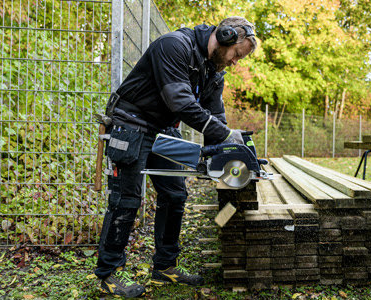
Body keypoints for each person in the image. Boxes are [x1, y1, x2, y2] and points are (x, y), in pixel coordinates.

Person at [95, 16, 258, 297]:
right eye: (236, 55)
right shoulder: (174, 46)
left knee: (175, 195)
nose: (235, 62)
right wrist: (224, 134)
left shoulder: (213, 71)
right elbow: (180, 101)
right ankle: (108, 275)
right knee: (126, 200)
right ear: (226, 37)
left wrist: (223, 154)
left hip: (164, 130)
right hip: (131, 124)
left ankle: (164, 267)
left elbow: (215, 117)